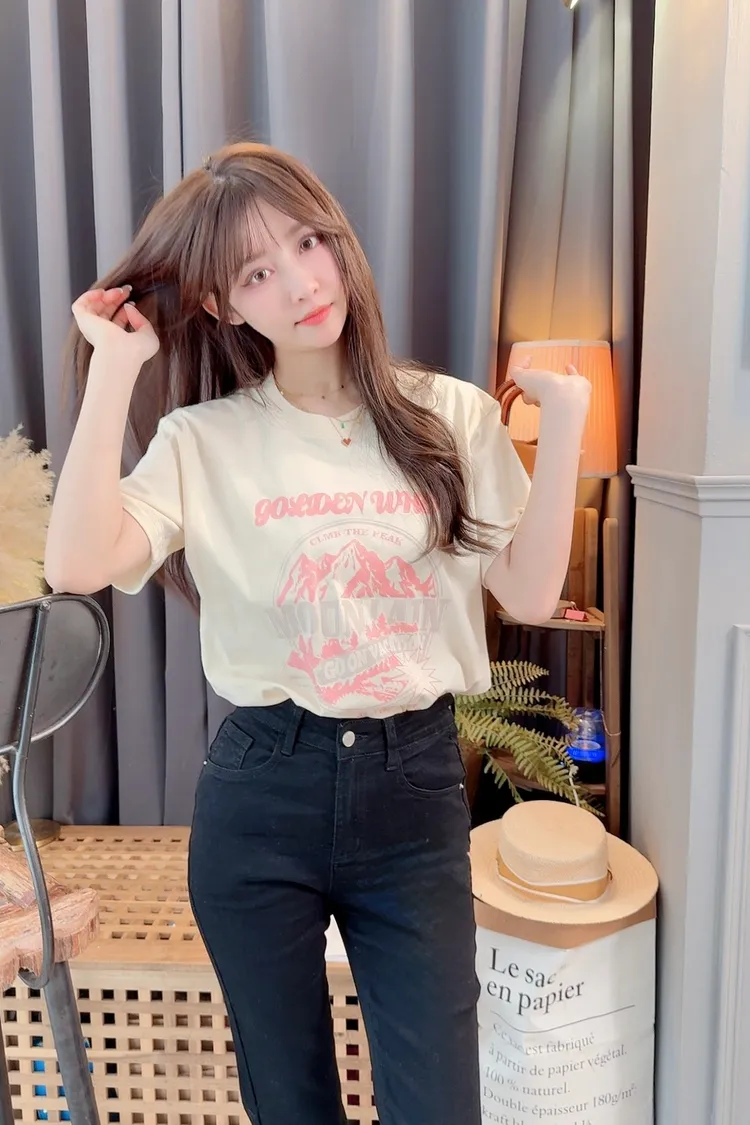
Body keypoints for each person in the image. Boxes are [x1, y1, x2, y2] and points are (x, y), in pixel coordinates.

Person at [44, 143, 590, 1125]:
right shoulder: (204, 440)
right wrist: (115, 369)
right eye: (255, 272)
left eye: (307, 243)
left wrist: (569, 425)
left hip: (413, 791)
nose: (300, 284)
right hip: (264, 793)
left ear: (337, 239)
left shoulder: (447, 416)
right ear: (220, 305)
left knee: (439, 1105)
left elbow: (531, 588)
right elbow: (77, 564)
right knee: (291, 1102)